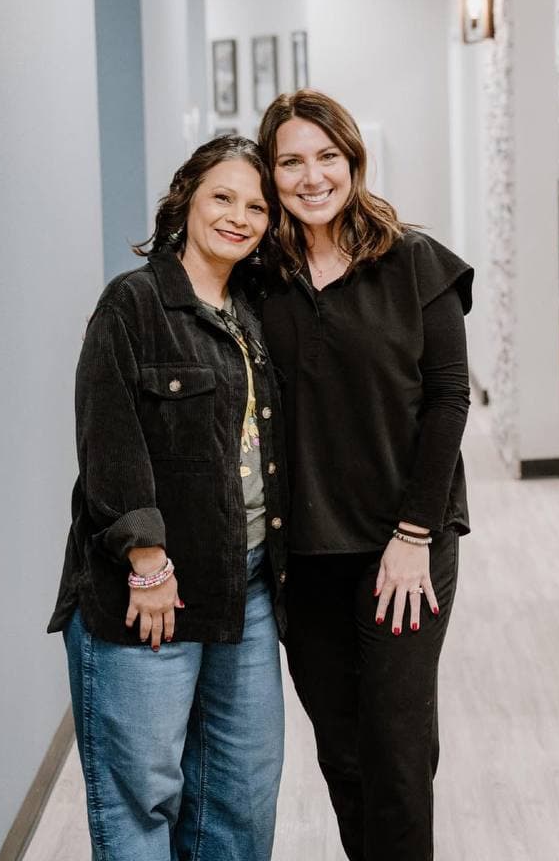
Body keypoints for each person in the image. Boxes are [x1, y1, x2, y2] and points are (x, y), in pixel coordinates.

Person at [48, 136, 287, 861]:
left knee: (239, 795)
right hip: (146, 592)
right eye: (223, 197)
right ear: (185, 198)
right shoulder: (135, 302)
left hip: (241, 587)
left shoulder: (251, 310)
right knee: (141, 799)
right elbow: (109, 442)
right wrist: (148, 564)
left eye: (256, 206)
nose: (239, 217)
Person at [257, 90, 473, 861]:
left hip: (403, 546)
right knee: (342, 749)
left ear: (352, 160)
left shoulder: (413, 262)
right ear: (269, 170)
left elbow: (449, 397)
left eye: (326, 157)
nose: (311, 176)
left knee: (397, 746)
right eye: (290, 161)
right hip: (303, 550)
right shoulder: (257, 278)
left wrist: (415, 532)